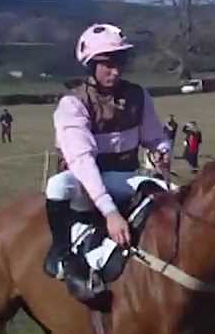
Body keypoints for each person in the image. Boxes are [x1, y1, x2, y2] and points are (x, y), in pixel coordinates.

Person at [43, 23, 171, 299]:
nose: (116, 70)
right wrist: (110, 213)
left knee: (170, 195)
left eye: (120, 62)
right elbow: (83, 161)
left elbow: (155, 137)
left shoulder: (139, 96)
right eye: (107, 64)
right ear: (91, 65)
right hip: (86, 182)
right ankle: (63, 253)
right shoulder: (73, 104)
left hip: (124, 177)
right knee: (57, 186)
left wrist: (162, 149)